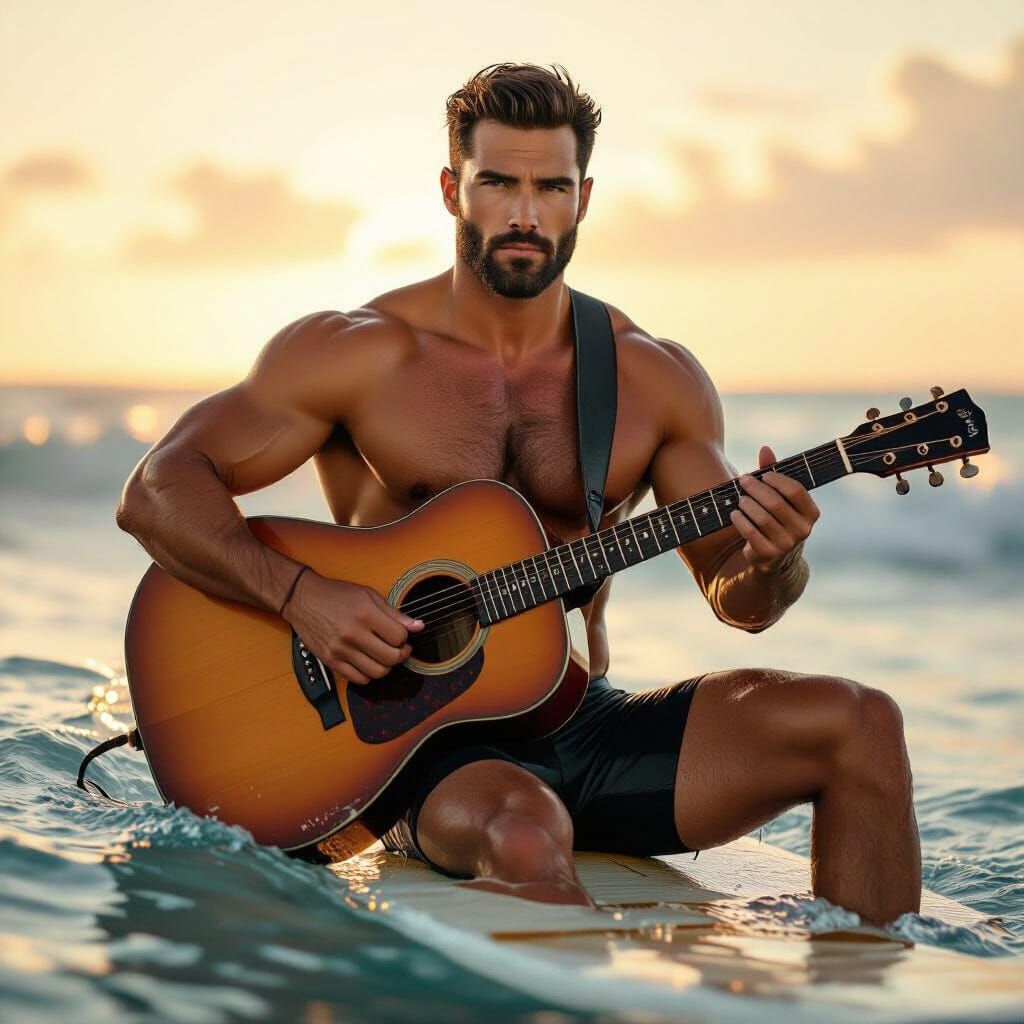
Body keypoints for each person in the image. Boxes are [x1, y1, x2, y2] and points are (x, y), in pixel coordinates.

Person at [115, 63, 920, 925]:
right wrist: (302, 597)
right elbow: (158, 490)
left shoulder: (654, 379)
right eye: (497, 182)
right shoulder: (360, 353)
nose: (525, 213)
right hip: (403, 747)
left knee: (863, 724)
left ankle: (874, 986)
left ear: (584, 198)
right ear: (451, 189)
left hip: (582, 720)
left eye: (551, 186)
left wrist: (778, 557)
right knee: (529, 835)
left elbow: (741, 599)